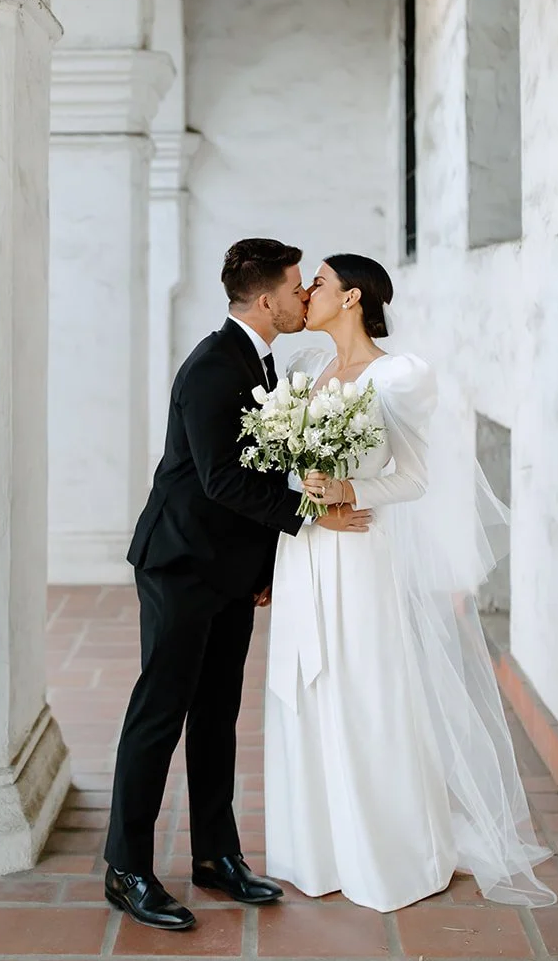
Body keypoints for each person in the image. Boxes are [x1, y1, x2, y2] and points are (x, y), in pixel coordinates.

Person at [264, 252, 557, 912]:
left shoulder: (398, 375)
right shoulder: (306, 371)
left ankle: (388, 850)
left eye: (320, 283)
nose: (306, 292)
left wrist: (346, 485)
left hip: (362, 551)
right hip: (307, 548)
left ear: (352, 298)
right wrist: (301, 493)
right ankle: (321, 847)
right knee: (308, 687)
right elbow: (282, 465)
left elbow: (414, 477)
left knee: (366, 688)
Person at [104, 238, 373, 932]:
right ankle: (126, 867)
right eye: (294, 289)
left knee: (217, 714)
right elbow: (221, 478)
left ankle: (215, 856)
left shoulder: (258, 360)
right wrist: (310, 516)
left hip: (225, 569)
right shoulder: (210, 368)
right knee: (159, 713)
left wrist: (258, 570)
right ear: (265, 300)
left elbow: (252, 472)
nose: (302, 299)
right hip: (178, 564)